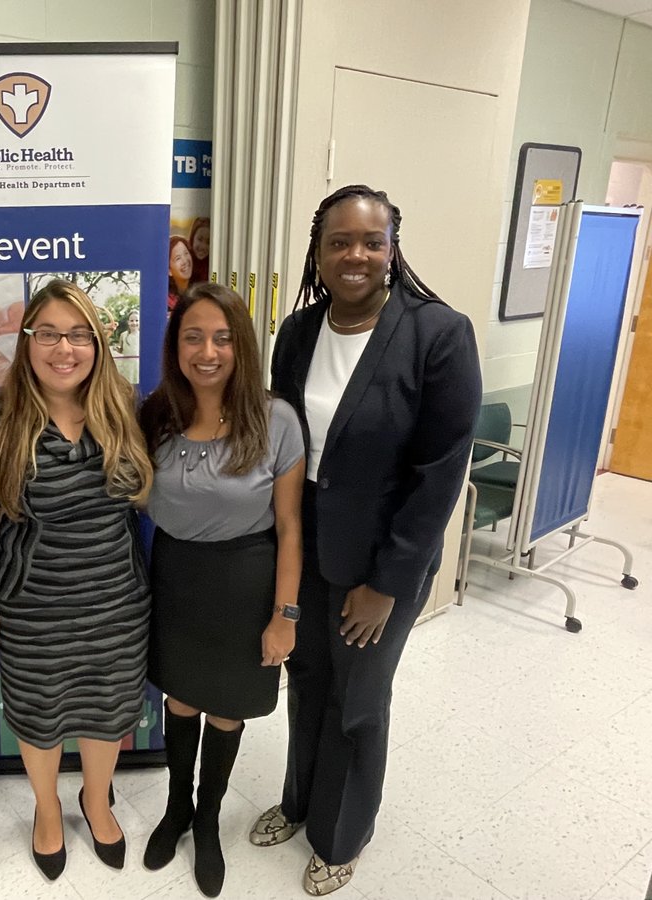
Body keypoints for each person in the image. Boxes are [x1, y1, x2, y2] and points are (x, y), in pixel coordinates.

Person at [250, 184, 481, 896]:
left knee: (357, 700)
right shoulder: (297, 332)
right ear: (317, 254)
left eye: (371, 242)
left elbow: (440, 473)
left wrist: (388, 582)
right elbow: (287, 443)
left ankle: (341, 834)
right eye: (338, 242)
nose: (355, 255)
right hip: (309, 541)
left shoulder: (437, 333)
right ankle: (298, 801)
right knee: (307, 681)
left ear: (392, 250)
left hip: (383, 557)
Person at [0, 279, 153, 881]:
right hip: (33, 605)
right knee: (40, 716)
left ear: (97, 343)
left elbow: (145, 496)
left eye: (78, 335)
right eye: (48, 334)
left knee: (106, 710)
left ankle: (96, 803)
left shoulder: (123, 403)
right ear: (27, 340)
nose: (63, 348)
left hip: (116, 601)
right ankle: (48, 811)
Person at [139, 282, 305, 897]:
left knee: (226, 708)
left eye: (222, 338)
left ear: (242, 346)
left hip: (246, 580)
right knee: (181, 699)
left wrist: (285, 614)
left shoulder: (275, 418)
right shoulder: (155, 414)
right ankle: (176, 808)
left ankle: (207, 822)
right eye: (193, 336)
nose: (207, 351)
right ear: (174, 345)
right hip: (177, 576)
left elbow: (290, 527)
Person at [168, 235, 193, 312]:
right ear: (169, 270)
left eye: (186, 253)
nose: (185, 261)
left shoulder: (196, 292)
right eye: (178, 258)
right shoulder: (166, 303)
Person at [188, 217, 210, 285]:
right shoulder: (185, 258)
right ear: (192, 237)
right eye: (200, 239)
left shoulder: (212, 264)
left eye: (208, 242)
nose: (203, 246)